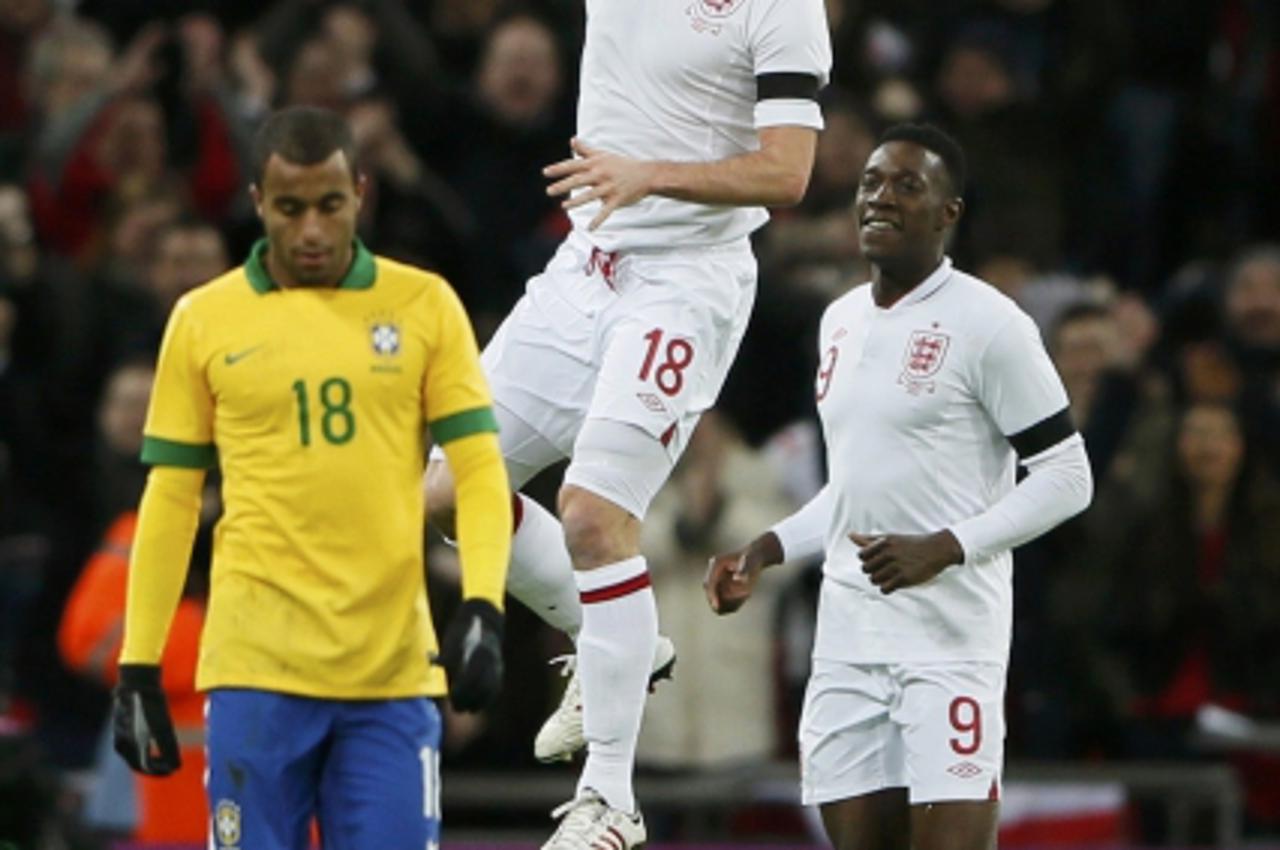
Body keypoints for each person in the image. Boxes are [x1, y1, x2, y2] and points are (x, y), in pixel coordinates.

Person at [425, 0, 832, 846]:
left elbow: (787, 174)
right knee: (442, 491)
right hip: (586, 264)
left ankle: (610, 801)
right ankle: (611, 635)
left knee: (593, 517)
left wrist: (653, 173)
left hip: (686, 283)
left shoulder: (781, 9)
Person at [110, 105, 511, 850]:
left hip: (390, 674)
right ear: (259, 203)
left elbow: (479, 468)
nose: (313, 231)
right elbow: (169, 499)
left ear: (361, 192)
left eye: (330, 205)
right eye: (290, 209)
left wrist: (484, 604)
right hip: (255, 668)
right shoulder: (203, 320)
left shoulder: (424, 305)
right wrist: (139, 663)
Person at [705, 123, 1094, 850]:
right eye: (871, 183)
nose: (881, 198)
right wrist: (766, 548)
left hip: (949, 644)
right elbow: (854, 493)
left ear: (949, 214)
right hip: (849, 640)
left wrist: (947, 547)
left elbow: (1069, 476)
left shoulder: (991, 324)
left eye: (907, 185)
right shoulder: (839, 322)